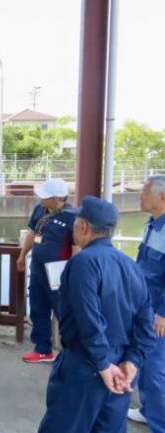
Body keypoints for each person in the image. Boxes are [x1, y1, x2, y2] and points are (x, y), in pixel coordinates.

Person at [38, 196, 156, 433]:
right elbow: (145, 324)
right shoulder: (131, 265)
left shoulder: (83, 262)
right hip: (121, 370)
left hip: (86, 365)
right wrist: (132, 362)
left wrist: (103, 365)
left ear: (83, 226)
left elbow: (89, 320)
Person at [17, 177, 76, 363]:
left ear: (58, 198)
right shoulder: (39, 209)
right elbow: (32, 233)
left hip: (59, 274)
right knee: (38, 309)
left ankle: (72, 353)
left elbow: (76, 248)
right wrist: (22, 255)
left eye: (46, 196)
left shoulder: (73, 217)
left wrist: (73, 274)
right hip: (37, 270)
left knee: (64, 312)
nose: (41, 199)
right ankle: (42, 349)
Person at [127, 175, 165, 430]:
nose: (140, 197)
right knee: (142, 357)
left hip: (158, 311)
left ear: (162, 197)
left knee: (154, 367)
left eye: (144, 192)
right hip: (144, 305)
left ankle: (160, 423)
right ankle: (148, 409)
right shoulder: (153, 224)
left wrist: (163, 313)